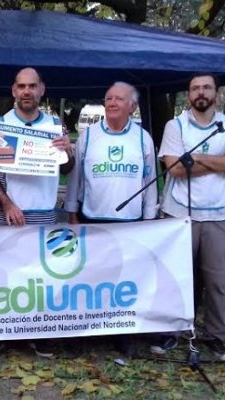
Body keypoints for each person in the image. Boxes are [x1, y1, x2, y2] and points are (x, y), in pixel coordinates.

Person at [152, 74, 225, 362]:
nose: (201, 92)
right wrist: (222, 162)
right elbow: (175, 170)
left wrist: (196, 158)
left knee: (217, 279)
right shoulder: (176, 125)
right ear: (189, 95)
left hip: (220, 213)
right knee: (178, 277)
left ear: (216, 94)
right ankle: (174, 330)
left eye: (206, 87)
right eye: (195, 88)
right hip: (180, 211)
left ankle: (217, 337)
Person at [0, 67, 74, 359]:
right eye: (21, 86)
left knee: (41, 277)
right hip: (7, 212)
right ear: (13, 91)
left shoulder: (56, 126)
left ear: (42, 89)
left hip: (43, 213)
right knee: (3, 277)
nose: (27, 91)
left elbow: (66, 169)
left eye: (32, 86)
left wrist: (68, 152)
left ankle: (40, 333)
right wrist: (6, 203)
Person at [64, 81, 157, 356]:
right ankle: (83, 334)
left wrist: (149, 219)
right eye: (108, 98)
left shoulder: (143, 138)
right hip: (92, 218)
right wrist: (72, 212)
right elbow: (76, 178)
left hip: (130, 223)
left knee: (124, 283)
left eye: (119, 98)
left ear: (133, 106)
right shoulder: (89, 136)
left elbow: (150, 181)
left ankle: (122, 335)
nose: (112, 103)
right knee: (90, 280)